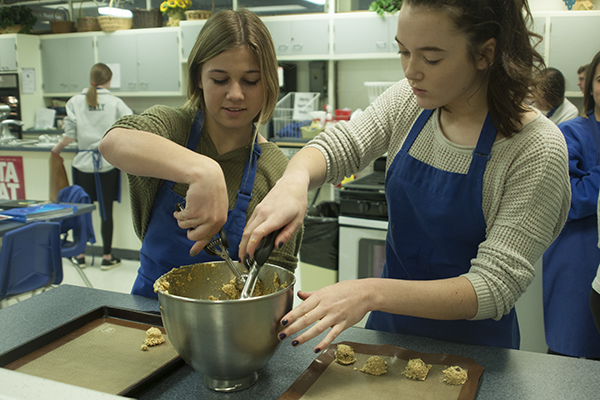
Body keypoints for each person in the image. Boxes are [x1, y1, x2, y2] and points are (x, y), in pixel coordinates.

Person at [239, 0, 571, 352]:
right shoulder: (409, 103)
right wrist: (295, 180)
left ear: (485, 53)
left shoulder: (536, 149)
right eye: (403, 52)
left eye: (431, 58)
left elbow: (493, 285)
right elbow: (344, 145)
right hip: (388, 336)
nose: (411, 71)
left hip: (477, 354)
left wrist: (369, 292)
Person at [99, 9, 302, 298]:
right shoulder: (173, 128)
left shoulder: (275, 169)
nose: (235, 94)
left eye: (250, 80)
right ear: (198, 78)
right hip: (146, 314)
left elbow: (276, 283)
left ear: (268, 82)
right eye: (220, 79)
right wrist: (201, 171)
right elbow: (114, 142)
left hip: (231, 329)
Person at [543, 50, 600, 359]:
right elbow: (569, 198)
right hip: (578, 267)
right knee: (572, 362)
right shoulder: (570, 133)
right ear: (590, 86)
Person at [52, 63, 133, 270]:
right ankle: (107, 257)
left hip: (82, 164)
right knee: (106, 212)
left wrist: (56, 150)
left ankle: (79, 255)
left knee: (80, 210)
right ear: (109, 80)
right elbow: (131, 124)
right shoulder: (115, 103)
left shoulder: (74, 102)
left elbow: (69, 135)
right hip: (107, 164)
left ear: (91, 78)